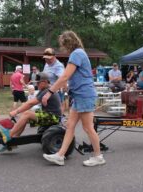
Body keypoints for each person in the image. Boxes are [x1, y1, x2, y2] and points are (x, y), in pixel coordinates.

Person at [41, 30, 106, 167]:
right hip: (79, 95)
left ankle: (98, 156)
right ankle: (60, 155)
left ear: (68, 43)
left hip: (84, 94)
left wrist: (49, 92)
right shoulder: (78, 53)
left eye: (63, 45)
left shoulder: (77, 54)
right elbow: (69, 76)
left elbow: (64, 76)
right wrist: (67, 87)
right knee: (70, 126)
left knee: (88, 127)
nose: (62, 48)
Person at [0, 72, 61, 151]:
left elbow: (30, 103)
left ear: (44, 82)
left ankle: (9, 135)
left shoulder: (46, 91)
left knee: (27, 114)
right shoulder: (44, 90)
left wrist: (16, 111)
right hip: (49, 115)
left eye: (38, 83)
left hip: (54, 117)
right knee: (24, 118)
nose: (36, 85)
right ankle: (13, 141)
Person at [42, 48, 66, 114]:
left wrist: (63, 87)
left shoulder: (58, 66)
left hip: (56, 90)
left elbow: (62, 78)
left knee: (59, 104)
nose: (47, 60)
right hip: (47, 89)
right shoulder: (46, 64)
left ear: (54, 57)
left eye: (49, 58)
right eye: (46, 58)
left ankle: (60, 119)